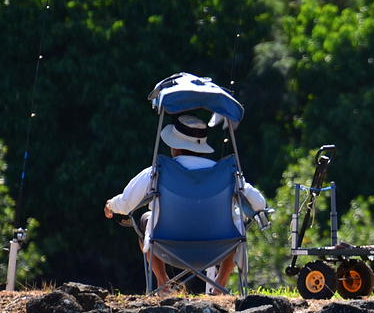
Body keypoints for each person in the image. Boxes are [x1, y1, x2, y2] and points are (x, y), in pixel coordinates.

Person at [103, 114, 266, 293]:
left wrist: (111, 205)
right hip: (218, 248)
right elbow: (259, 203)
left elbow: (126, 204)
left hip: (168, 246)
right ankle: (220, 284)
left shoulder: (158, 171)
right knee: (238, 224)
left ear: (175, 147)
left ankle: (163, 282)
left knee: (144, 219)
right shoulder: (226, 173)